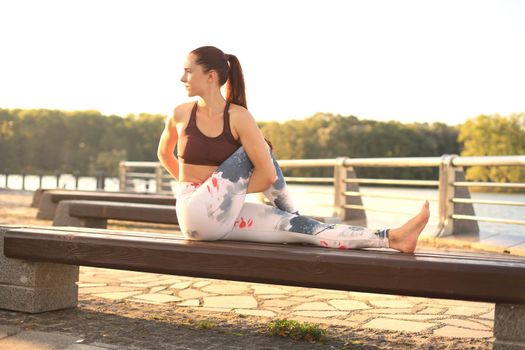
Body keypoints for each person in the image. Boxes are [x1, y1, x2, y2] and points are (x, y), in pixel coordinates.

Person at [157, 46, 429, 253]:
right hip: (193, 211)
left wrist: (226, 195)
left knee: (303, 229)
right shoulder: (181, 114)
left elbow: (267, 178)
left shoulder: (238, 117)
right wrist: (201, 187)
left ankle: (391, 237)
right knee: (262, 149)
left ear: (211, 75)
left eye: (189, 71)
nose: (182, 78)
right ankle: (291, 209)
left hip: (219, 218)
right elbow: (163, 154)